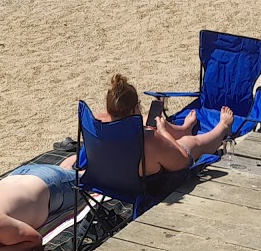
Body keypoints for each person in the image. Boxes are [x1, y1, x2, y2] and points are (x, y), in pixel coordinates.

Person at [97, 73, 233, 177]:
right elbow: (183, 160)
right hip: (148, 182)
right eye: (138, 105)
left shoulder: (98, 124)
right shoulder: (150, 138)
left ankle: (185, 128)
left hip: (114, 176)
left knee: (147, 120)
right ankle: (223, 127)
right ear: (133, 109)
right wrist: (163, 132)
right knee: (190, 142)